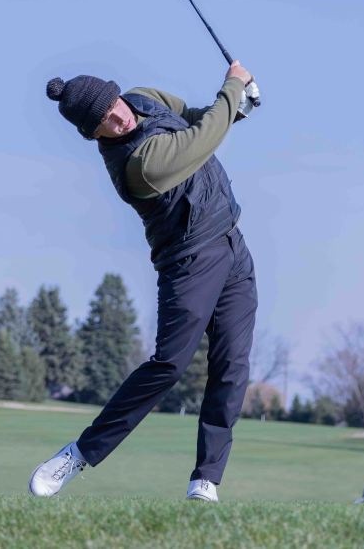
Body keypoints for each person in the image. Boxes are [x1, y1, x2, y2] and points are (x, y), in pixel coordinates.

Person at [29, 62, 259, 503]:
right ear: (95, 135)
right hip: (189, 262)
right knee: (168, 365)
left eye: (115, 106)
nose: (120, 118)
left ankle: (206, 480)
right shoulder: (138, 166)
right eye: (106, 123)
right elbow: (202, 139)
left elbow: (193, 117)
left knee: (232, 365)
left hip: (233, 245)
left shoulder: (143, 98)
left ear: (118, 94)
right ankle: (78, 454)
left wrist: (239, 106)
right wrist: (233, 88)